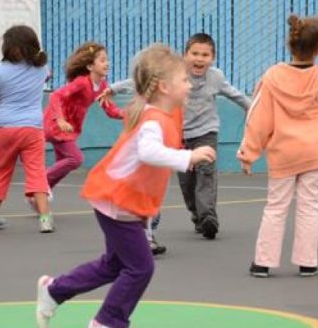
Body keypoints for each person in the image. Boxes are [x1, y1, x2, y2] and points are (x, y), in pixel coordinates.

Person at [36, 44, 216, 328]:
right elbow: (148, 151)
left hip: (122, 201)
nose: (189, 85)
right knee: (141, 268)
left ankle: (54, 290)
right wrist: (188, 156)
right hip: (116, 201)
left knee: (114, 265)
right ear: (164, 87)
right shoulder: (153, 120)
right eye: (183, 80)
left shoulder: (162, 111)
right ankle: (108, 321)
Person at [111, 33, 250, 240]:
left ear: (212, 58)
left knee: (206, 172)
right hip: (180, 134)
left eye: (205, 55)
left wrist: (255, 109)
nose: (199, 59)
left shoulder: (216, 77)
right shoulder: (174, 74)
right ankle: (196, 214)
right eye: (194, 53)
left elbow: (236, 95)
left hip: (206, 131)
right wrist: (112, 88)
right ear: (185, 55)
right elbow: (145, 80)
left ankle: (208, 217)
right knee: (187, 182)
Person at [238, 15, 318, 278]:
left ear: (290, 44)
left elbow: (258, 117)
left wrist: (249, 152)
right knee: (309, 205)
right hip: (313, 151)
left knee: (276, 206)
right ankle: (307, 262)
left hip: (283, 153)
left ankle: (263, 262)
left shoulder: (272, 77)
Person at [0, 25, 54, 233]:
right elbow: (45, 77)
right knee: (36, 172)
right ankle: (45, 218)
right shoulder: (42, 69)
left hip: (5, 127)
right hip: (32, 127)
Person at [43, 42, 123, 193]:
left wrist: (130, 114)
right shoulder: (82, 83)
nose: (107, 63)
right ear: (90, 66)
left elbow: (110, 110)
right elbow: (55, 96)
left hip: (69, 128)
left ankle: (40, 195)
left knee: (64, 164)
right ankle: (39, 185)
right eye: (102, 60)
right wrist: (60, 119)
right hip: (56, 123)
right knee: (75, 159)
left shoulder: (102, 86)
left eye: (107, 60)